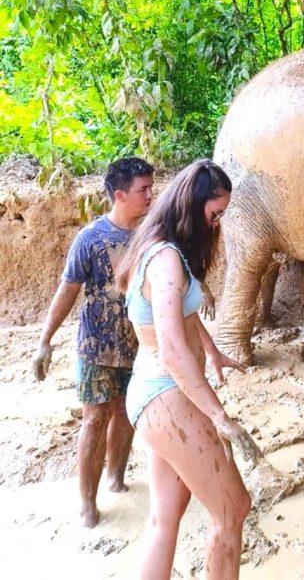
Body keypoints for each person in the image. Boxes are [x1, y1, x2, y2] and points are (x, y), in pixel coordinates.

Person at [116, 159, 261, 580]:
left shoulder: (158, 246)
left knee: (164, 518)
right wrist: (220, 417)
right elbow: (174, 349)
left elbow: (182, 316)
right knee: (233, 509)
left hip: (151, 394)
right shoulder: (166, 261)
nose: (216, 225)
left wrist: (212, 352)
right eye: (214, 214)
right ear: (192, 206)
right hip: (167, 395)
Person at [31, 157, 155, 527]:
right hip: (96, 348)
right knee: (94, 420)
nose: (151, 195)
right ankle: (88, 501)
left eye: (152, 188)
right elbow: (67, 290)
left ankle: (117, 478)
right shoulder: (90, 238)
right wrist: (44, 340)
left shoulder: (150, 234)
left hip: (139, 346)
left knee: (126, 413)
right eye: (143, 190)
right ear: (119, 194)